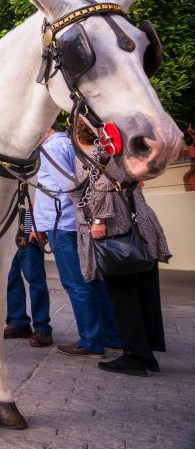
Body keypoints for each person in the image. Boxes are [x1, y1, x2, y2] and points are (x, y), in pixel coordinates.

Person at [72, 118, 171, 376]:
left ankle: (135, 356)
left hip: (117, 230)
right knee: (144, 293)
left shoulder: (91, 154)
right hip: (139, 224)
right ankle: (146, 353)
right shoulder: (116, 151)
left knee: (123, 295)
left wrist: (98, 220)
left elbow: (100, 187)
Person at [34, 121, 121, 359]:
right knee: (92, 279)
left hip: (62, 223)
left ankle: (91, 341)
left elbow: (68, 184)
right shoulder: (65, 143)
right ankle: (111, 337)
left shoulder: (51, 148)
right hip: (71, 221)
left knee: (76, 283)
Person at [4, 207, 54, 347]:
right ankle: (18, 323)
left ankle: (42, 328)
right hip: (7, 232)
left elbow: (36, 199)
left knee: (36, 280)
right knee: (11, 278)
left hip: (27, 229)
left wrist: (37, 227)